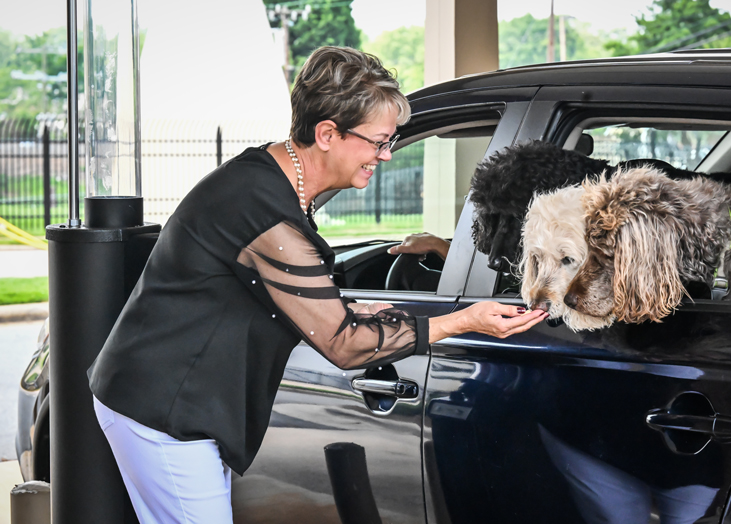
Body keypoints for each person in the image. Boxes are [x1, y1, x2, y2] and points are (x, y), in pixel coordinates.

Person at [87, 46, 547, 524]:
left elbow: (279, 295)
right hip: (162, 407)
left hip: (186, 404)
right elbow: (345, 346)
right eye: (378, 141)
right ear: (327, 133)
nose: (386, 155)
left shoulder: (277, 183)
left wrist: (351, 308)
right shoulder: (261, 209)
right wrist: (466, 319)